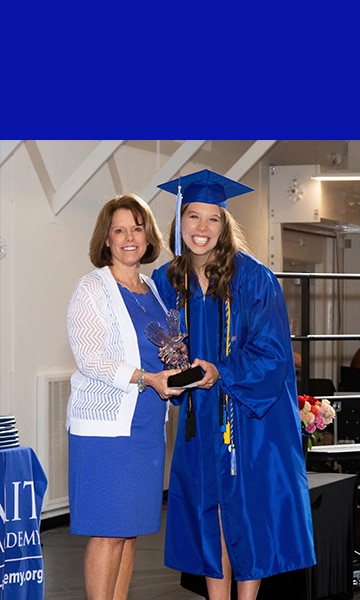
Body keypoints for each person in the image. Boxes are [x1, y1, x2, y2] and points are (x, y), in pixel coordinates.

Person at [152, 169, 316, 600]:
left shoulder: (254, 278)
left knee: (243, 515)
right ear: (179, 220)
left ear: (225, 225)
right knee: (208, 514)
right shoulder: (168, 282)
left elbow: (274, 355)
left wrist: (220, 370)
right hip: (197, 417)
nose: (201, 228)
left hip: (247, 416)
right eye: (192, 217)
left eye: (212, 219)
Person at [66, 194, 184, 600]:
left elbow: (166, 348)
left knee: (129, 531)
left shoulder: (152, 288)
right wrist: (147, 378)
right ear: (107, 239)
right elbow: (90, 358)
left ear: (148, 236)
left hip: (147, 424)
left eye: (137, 228)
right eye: (120, 230)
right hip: (106, 428)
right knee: (108, 531)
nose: (129, 237)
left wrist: (185, 372)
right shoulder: (92, 288)